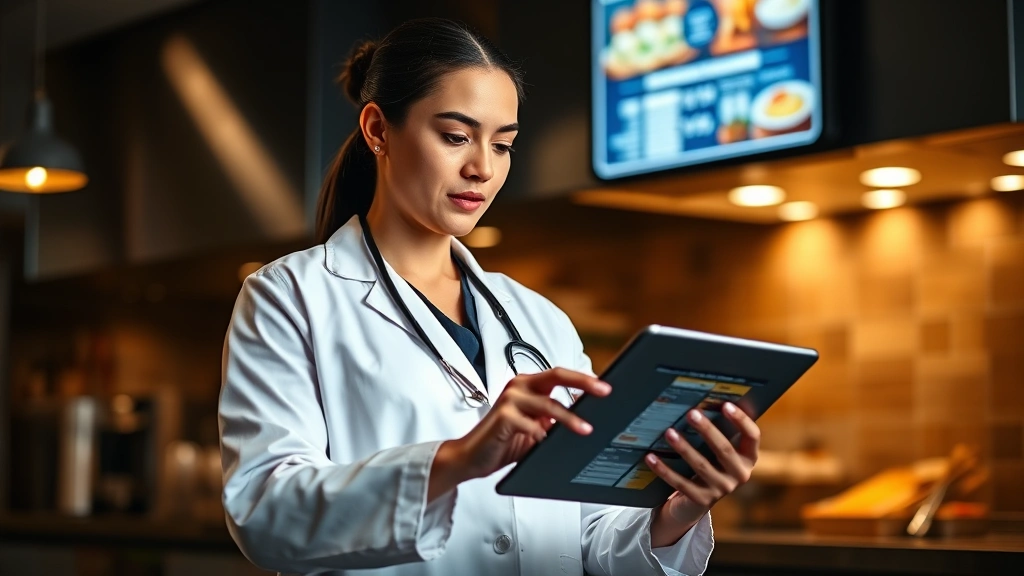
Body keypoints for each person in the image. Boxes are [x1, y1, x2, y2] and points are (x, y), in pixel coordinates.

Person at [218, 17, 760, 576]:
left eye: (502, 145)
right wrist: (455, 461)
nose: (482, 167)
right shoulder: (290, 299)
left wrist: (680, 510)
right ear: (378, 129)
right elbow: (265, 513)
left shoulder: (540, 321)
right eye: (456, 137)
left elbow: (591, 538)